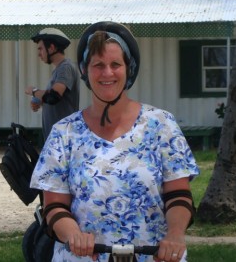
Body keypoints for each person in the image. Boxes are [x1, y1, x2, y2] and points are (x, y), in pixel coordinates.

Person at [30, 21, 200, 262]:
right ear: (84, 70)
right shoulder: (64, 132)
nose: (107, 73)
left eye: (115, 64)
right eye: (98, 65)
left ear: (128, 69)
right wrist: (74, 234)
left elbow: (179, 195)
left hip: (154, 256)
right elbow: (54, 207)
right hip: (84, 257)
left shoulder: (161, 125)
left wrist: (175, 235)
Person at [25, 28, 80, 141]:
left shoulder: (65, 67)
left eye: (40, 49)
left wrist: (34, 91)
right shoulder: (59, 69)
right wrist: (40, 101)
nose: (39, 54)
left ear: (52, 47)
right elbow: (53, 98)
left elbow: (53, 96)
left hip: (62, 140)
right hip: (56, 140)